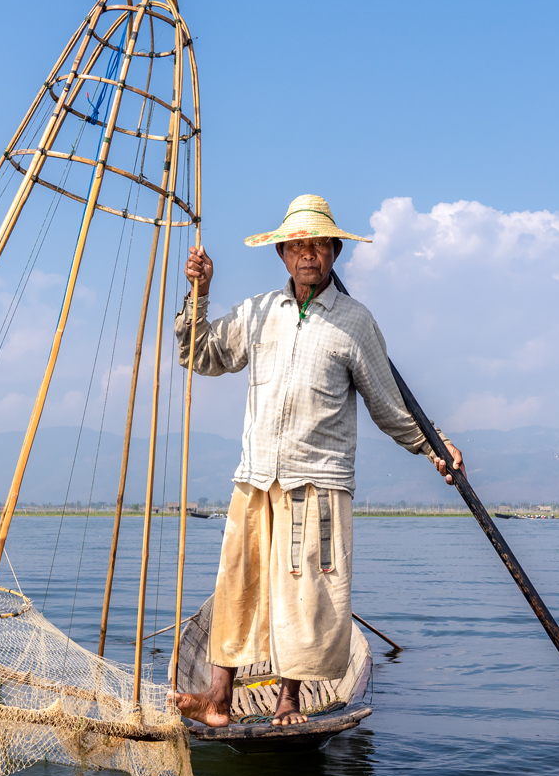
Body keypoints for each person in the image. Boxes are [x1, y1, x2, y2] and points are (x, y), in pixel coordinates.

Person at [171, 194, 464, 727]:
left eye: (320, 246)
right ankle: (217, 698)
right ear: (283, 253)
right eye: (299, 246)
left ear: (334, 254)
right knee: (237, 584)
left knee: (305, 593)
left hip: (318, 481)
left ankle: (289, 699)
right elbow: (201, 354)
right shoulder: (261, 313)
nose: (309, 255)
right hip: (257, 476)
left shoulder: (354, 322)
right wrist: (200, 292)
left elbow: (389, 404)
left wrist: (434, 447)